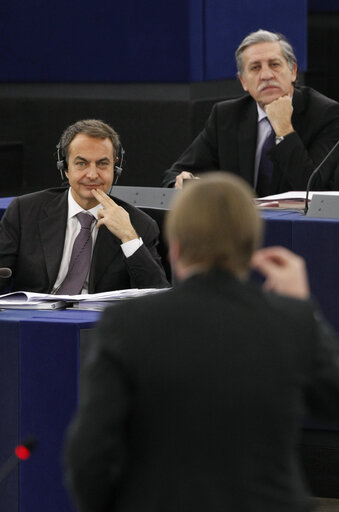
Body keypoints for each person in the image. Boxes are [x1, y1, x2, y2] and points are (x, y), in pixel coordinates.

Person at [64, 172, 339, 512]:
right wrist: (304, 310)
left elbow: (89, 454)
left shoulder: (128, 323)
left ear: (176, 246)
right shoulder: (291, 321)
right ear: (252, 246)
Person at [0, 119, 168, 294]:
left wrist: (128, 236)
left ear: (115, 167)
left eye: (103, 164)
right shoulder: (25, 211)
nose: (93, 174)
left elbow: (158, 295)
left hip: (98, 320)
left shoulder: (139, 224)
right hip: (32, 319)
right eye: (82, 163)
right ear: (65, 167)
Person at [162, 29, 339, 195]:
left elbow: (315, 191)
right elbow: (173, 174)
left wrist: (284, 129)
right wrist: (180, 182)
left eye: (274, 64)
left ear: (293, 72)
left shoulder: (325, 114)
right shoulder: (225, 116)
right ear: (243, 81)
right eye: (255, 68)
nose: (266, 75)